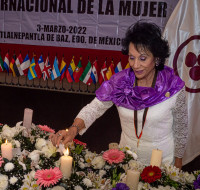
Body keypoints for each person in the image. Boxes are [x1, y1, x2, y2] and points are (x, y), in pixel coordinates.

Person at [50, 20, 188, 169]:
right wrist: (73, 129)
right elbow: (94, 108)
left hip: (162, 164)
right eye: (131, 57)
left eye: (143, 58)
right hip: (126, 161)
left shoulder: (173, 87)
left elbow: (180, 130)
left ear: (156, 58)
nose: (135, 65)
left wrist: (178, 162)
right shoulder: (119, 83)